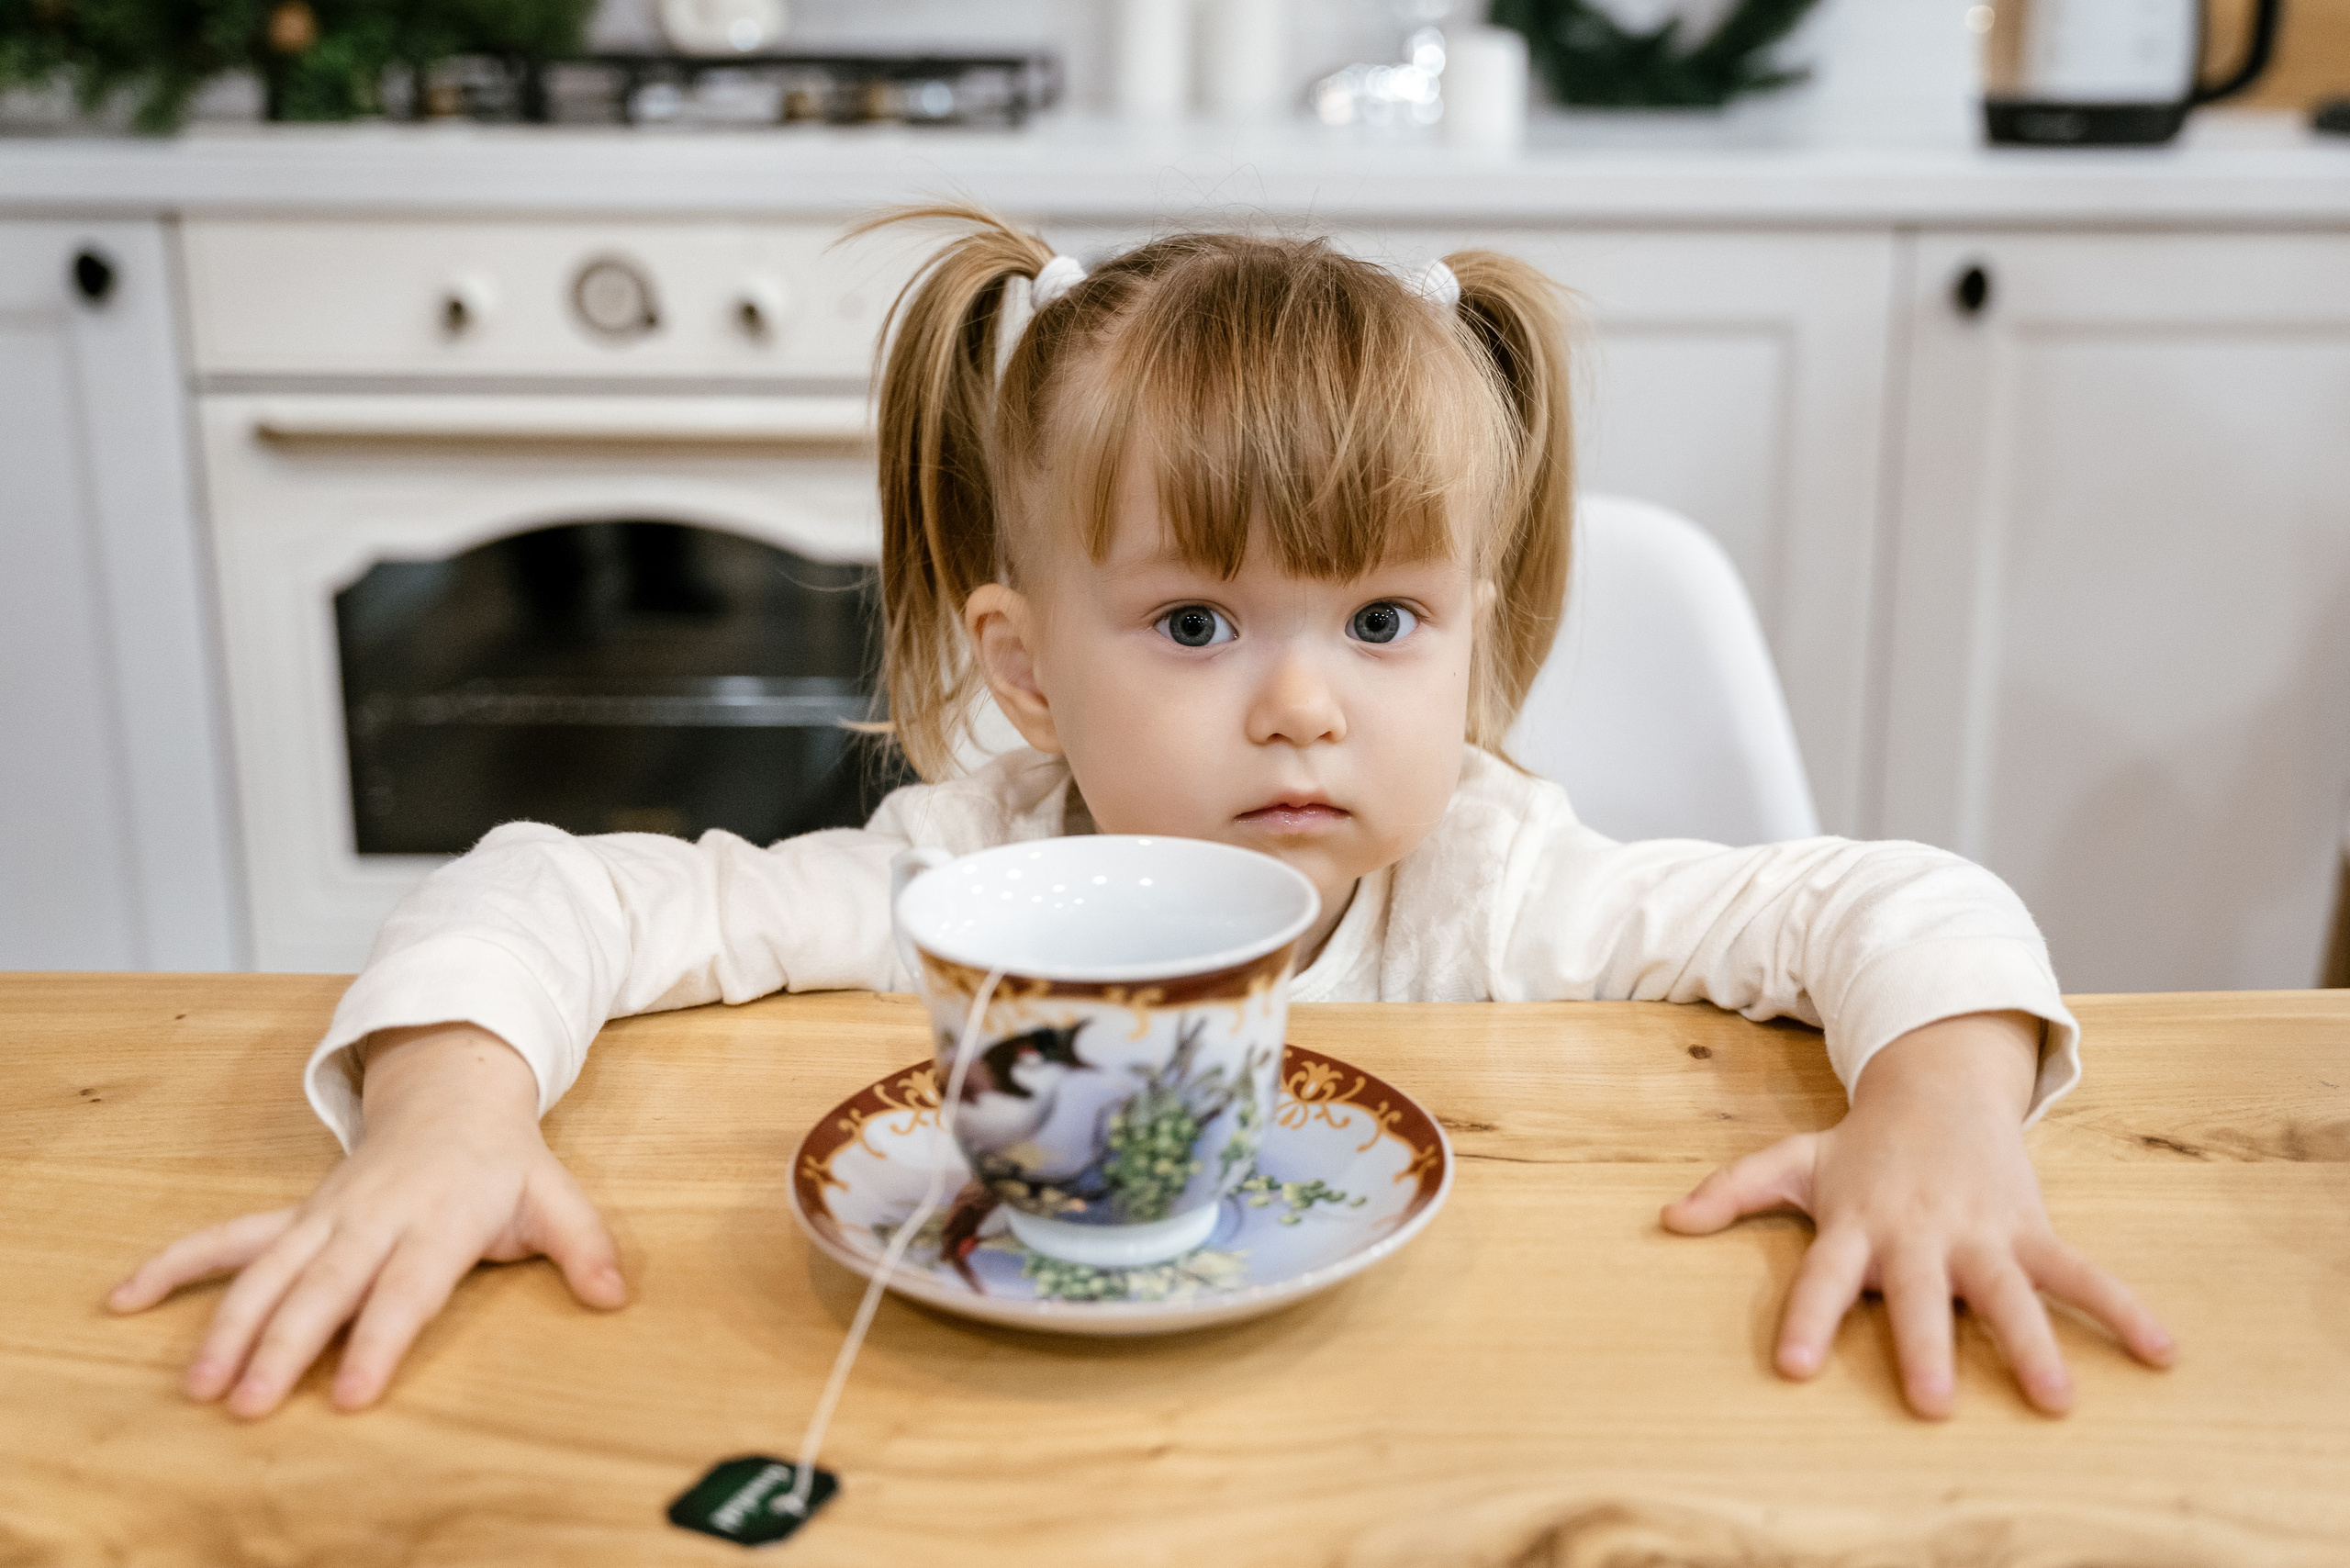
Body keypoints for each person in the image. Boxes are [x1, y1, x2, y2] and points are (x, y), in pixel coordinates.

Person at [109, 206, 2175, 1422]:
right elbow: (547, 889)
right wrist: (448, 1117)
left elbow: (1905, 897)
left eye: (1381, 618)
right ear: (1024, 664)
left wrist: (1940, 1121)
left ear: (1474, 640)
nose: (1298, 697)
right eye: (1193, 617)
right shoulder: (953, 876)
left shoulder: (1503, 883)